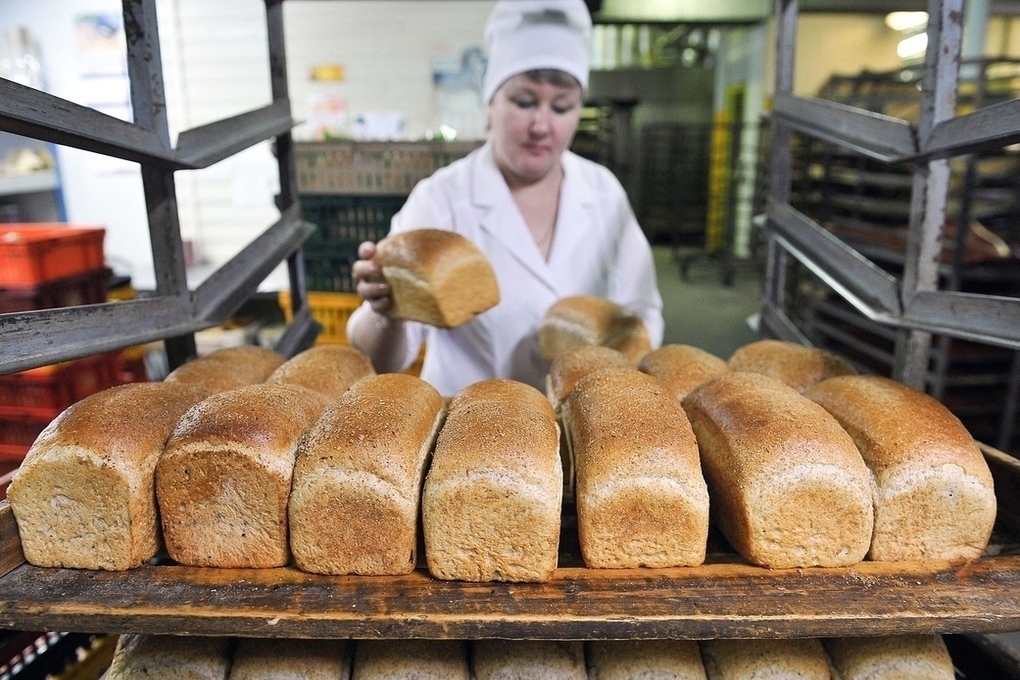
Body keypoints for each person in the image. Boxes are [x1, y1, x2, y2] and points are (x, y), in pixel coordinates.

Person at [347, 0, 664, 397]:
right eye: (524, 101)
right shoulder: (442, 198)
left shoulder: (603, 193)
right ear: (491, 101)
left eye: (562, 106)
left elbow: (642, 313)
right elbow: (380, 363)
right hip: (464, 427)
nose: (541, 126)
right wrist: (386, 316)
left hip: (572, 429)